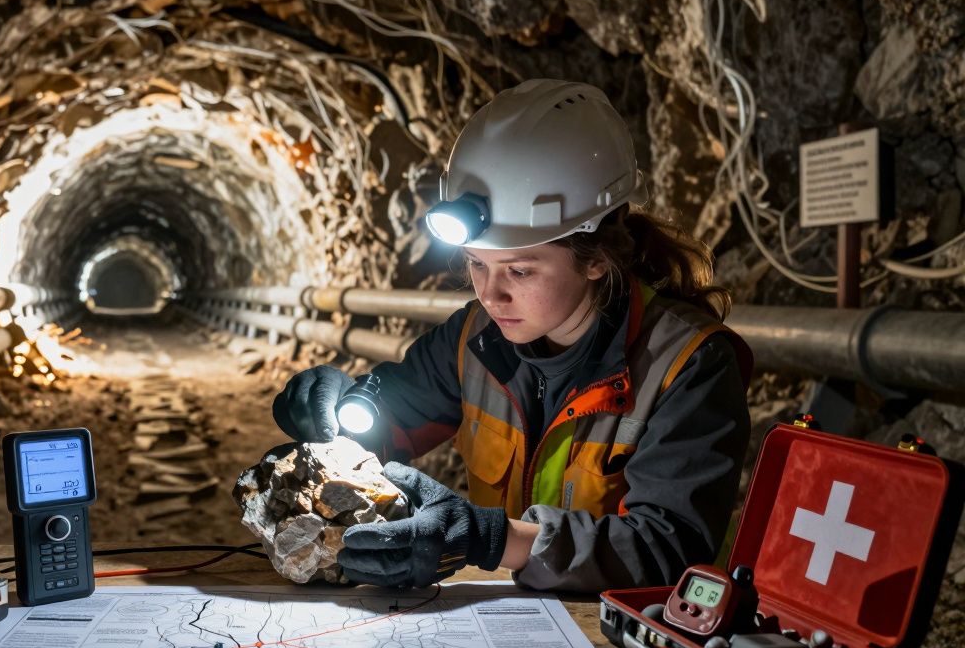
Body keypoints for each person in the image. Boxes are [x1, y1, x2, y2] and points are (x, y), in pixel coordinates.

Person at [272, 79, 753, 592]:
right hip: (510, 622)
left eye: (520, 271)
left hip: (629, 639)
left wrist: (490, 539)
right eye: (476, 264)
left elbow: (668, 550)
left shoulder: (686, 367)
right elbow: (391, 421)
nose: (490, 295)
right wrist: (337, 412)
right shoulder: (476, 340)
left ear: (596, 260)